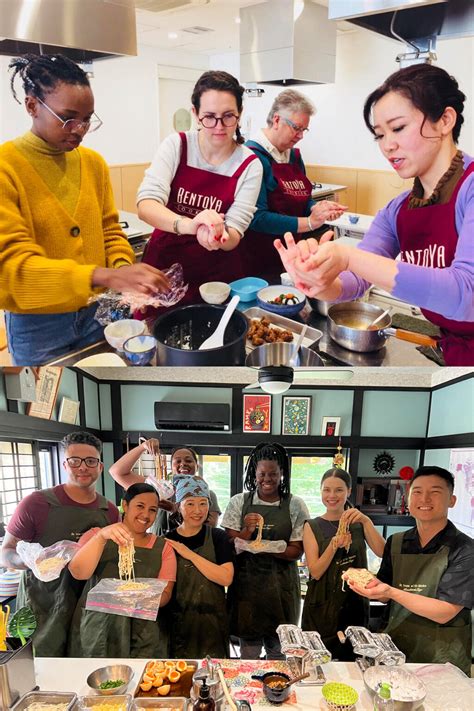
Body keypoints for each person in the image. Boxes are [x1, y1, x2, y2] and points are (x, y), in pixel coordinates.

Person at [275, 64, 474, 366]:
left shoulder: (469, 190)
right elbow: (353, 281)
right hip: (457, 357)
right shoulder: (398, 210)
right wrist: (317, 277)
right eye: (379, 135)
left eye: (397, 128)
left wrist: (348, 256)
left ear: (445, 120)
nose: (387, 146)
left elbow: (465, 295)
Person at [0, 53, 169, 365]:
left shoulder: (92, 164)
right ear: (32, 106)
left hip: (98, 313)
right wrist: (104, 276)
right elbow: (12, 270)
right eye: (68, 118)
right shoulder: (6, 168)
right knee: (49, 412)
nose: (79, 129)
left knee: (104, 401)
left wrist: (122, 269)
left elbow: (109, 230)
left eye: (88, 119)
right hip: (39, 327)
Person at [136, 70, 263, 320]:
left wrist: (217, 235)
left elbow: (235, 232)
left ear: (239, 115)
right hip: (164, 269)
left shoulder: (250, 164)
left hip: (217, 274)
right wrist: (190, 225)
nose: (219, 126)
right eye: (209, 117)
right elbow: (146, 204)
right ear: (195, 114)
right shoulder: (177, 145)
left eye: (228, 117)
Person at [0, 431, 119, 657]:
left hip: (88, 607)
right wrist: (30, 561)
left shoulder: (109, 511)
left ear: (100, 467)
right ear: (65, 464)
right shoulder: (36, 503)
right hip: (42, 604)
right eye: (75, 461)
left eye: (90, 461)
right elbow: (5, 552)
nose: (83, 467)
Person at [347, 466, 473, 676]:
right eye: (417, 492)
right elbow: (384, 594)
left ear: (451, 500)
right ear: (407, 499)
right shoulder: (396, 542)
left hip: (441, 656)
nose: (424, 499)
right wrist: (367, 583)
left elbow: (445, 612)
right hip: (395, 648)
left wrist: (389, 592)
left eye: (435, 492)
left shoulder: (465, 549)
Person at [240, 89, 346, 281]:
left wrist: (318, 208)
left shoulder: (294, 156)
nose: (301, 136)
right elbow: (258, 218)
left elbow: (303, 201)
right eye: (296, 128)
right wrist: (309, 223)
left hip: (292, 254)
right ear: (277, 120)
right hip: (258, 258)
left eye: (304, 129)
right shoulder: (252, 156)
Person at [222, 442, 309, 659]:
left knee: (279, 655)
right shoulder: (238, 502)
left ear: (282, 474)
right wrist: (247, 531)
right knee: (248, 656)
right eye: (262, 473)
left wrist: (261, 547)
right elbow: (229, 546)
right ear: (254, 472)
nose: (267, 479)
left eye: (273, 474)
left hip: (281, 591)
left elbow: (296, 551)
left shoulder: (295, 505)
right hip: (246, 590)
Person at [68, 483, 176, 658]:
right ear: (125, 505)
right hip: (99, 627)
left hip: (143, 631)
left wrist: (131, 597)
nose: (146, 515)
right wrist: (101, 537)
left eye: (153, 510)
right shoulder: (98, 534)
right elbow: (79, 572)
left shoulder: (163, 547)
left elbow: (165, 594)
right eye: (140, 506)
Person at [301, 468, 385, 660]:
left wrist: (366, 521)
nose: (332, 495)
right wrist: (333, 544)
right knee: (320, 660)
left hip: (354, 602)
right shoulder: (312, 526)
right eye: (326, 490)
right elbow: (315, 571)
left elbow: (382, 552)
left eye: (338, 490)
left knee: (354, 660)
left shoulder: (358, 522)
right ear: (321, 492)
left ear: (348, 491)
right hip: (323, 605)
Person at [165, 476, 234, 658]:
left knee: (214, 675)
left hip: (213, 621)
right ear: (178, 505)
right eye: (190, 504)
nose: (197, 510)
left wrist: (189, 554)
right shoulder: (167, 540)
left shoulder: (219, 537)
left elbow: (226, 577)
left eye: (203, 503)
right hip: (178, 622)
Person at [109, 439, 221, 532]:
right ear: (170, 466)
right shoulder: (157, 488)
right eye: (177, 461)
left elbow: (210, 528)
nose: (183, 464)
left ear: (196, 466)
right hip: (159, 547)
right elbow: (117, 472)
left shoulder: (207, 495)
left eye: (188, 461)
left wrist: (174, 509)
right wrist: (143, 447)